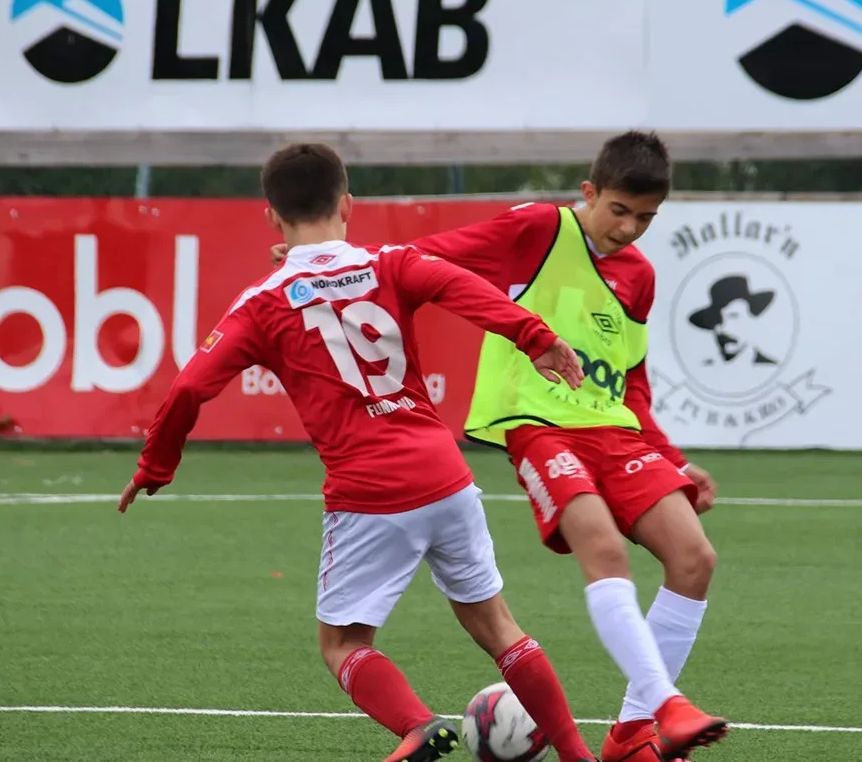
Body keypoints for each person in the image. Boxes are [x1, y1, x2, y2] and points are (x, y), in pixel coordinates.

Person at [121, 144, 601, 762]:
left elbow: (189, 385)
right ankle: (579, 756)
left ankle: (417, 725)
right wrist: (536, 337)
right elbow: (464, 288)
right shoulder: (393, 262)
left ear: (271, 216)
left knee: (343, 644)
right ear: (349, 204)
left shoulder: (264, 302)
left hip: (369, 491)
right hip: (446, 475)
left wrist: (156, 465)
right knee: (498, 627)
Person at [271, 131, 726, 762]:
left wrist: (672, 460)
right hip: (538, 423)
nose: (629, 228)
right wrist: (333, 266)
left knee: (696, 558)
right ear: (588, 193)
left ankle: (632, 731)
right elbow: (426, 255)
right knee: (602, 546)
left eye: (645, 217)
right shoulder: (539, 230)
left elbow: (633, 384)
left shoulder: (640, 278)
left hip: (613, 429)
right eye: (619, 210)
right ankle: (666, 706)